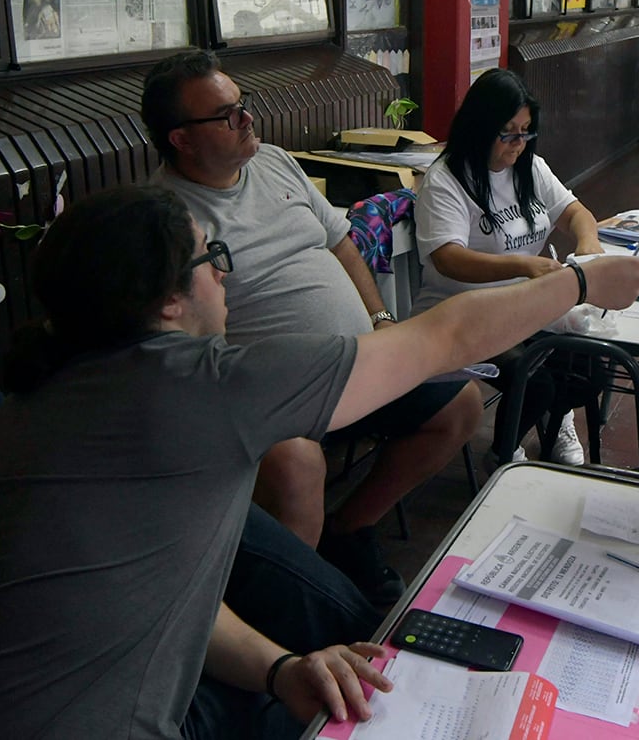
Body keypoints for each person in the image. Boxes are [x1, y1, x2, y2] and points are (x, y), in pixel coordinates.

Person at [0, 184, 639, 740]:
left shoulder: (35, 399)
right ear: (166, 302)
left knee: (315, 644)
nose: (225, 274)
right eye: (210, 258)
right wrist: (583, 280)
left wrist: (274, 669)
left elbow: (162, 596)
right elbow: (446, 341)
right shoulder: (196, 387)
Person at [143, 49, 484, 605]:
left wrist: (379, 321)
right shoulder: (166, 218)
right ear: (180, 138)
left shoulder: (274, 162)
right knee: (298, 465)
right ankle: (302, 603)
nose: (247, 119)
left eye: (243, 105)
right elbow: (180, 340)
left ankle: (348, 528)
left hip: (354, 364)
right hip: (272, 393)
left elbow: (341, 243)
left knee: (460, 404)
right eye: (227, 115)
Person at [413, 69, 604, 467]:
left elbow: (575, 213)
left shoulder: (529, 168)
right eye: (509, 133)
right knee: (534, 379)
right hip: (462, 314)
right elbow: (447, 258)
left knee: (588, 367)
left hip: (523, 305)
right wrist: (521, 265)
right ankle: (504, 453)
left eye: (526, 131)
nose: (519, 144)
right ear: (481, 127)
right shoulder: (446, 181)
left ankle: (555, 420)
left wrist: (588, 246)